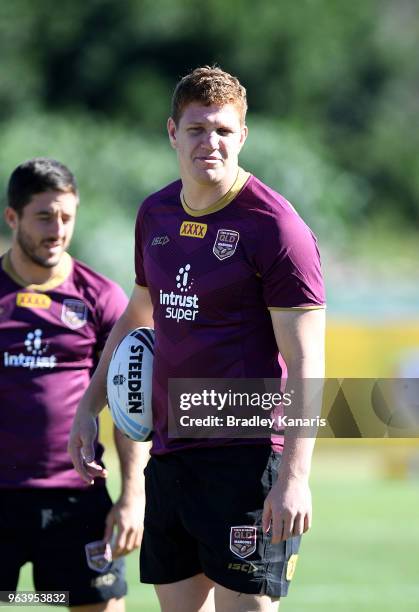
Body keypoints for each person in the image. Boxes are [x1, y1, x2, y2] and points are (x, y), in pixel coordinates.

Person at [70, 66, 326, 612]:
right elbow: (139, 313)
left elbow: (306, 362)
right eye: (196, 129)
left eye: (223, 131)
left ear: (243, 136)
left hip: (248, 460)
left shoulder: (276, 228)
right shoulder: (155, 214)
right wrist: (89, 406)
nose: (209, 143)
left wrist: (295, 478)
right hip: (169, 456)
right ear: (172, 133)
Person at [0, 158, 144, 611]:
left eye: (66, 217)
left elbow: (127, 405)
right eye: (44, 216)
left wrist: (132, 497)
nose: (57, 229)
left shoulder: (100, 297)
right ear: (12, 217)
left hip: (75, 498)